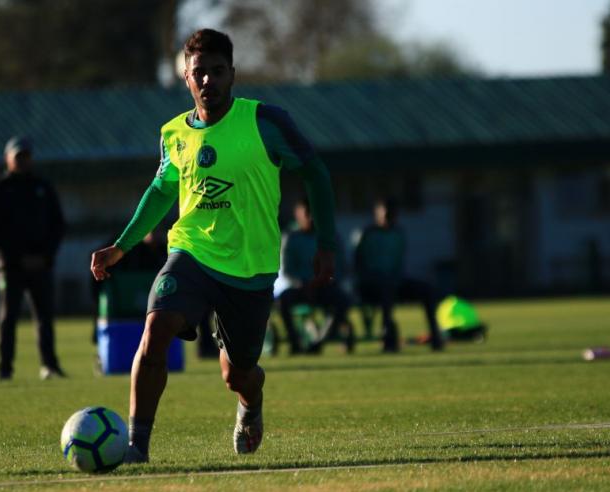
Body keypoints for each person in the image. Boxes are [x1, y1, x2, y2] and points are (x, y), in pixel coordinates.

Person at [90, 29, 338, 463]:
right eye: (199, 73)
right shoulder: (173, 134)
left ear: (233, 75)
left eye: (217, 72)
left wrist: (326, 242)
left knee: (237, 374)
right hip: (190, 252)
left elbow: (315, 172)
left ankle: (251, 404)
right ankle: (136, 447)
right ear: (186, 77)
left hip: (250, 266)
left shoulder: (265, 121)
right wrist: (121, 246)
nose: (208, 81)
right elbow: (162, 191)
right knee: (155, 330)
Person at [0, 136, 66, 381]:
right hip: (10, 267)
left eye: (26, 156)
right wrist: (15, 258)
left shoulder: (42, 187)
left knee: (45, 317)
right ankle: (5, 369)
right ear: (7, 159)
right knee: (8, 317)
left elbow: (57, 225)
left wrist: (45, 256)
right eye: (18, 156)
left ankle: (49, 365)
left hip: (41, 264)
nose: (23, 161)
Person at [354, 198, 443, 352]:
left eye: (392, 214)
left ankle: (435, 337)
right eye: (385, 214)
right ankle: (387, 336)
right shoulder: (366, 234)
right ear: (377, 214)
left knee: (426, 289)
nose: (389, 218)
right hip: (371, 285)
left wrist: (396, 278)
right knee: (386, 289)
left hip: (395, 281)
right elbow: (358, 265)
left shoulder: (398, 233)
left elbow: (398, 264)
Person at [277, 198, 352, 354]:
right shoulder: (291, 238)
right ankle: (294, 341)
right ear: (298, 215)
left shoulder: (329, 237)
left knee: (342, 300)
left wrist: (325, 281)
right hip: (300, 288)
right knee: (283, 301)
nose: (311, 218)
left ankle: (320, 340)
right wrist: (303, 284)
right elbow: (286, 270)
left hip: (323, 286)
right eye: (307, 213)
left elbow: (339, 266)